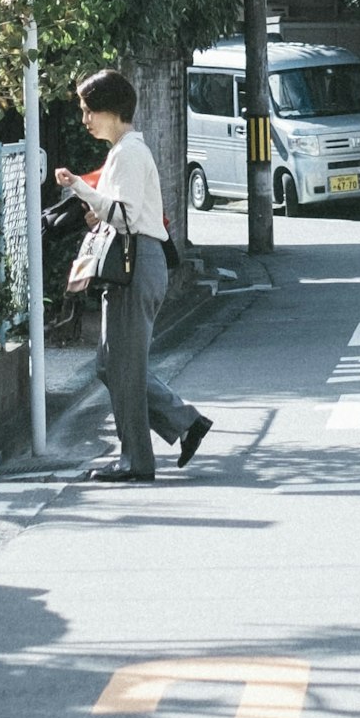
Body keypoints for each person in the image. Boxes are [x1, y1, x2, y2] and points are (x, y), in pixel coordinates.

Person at [55, 66, 212, 483]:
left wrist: (79, 187)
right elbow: (124, 213)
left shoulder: (127, 153)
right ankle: (184, 422)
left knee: (121, 367)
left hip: (136, 263)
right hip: (137, 263)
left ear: (112, 110)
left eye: (89, 110)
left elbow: (123, 216)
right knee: (113, 365)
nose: (85, 119)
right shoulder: (124, 152)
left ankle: (136, 462)